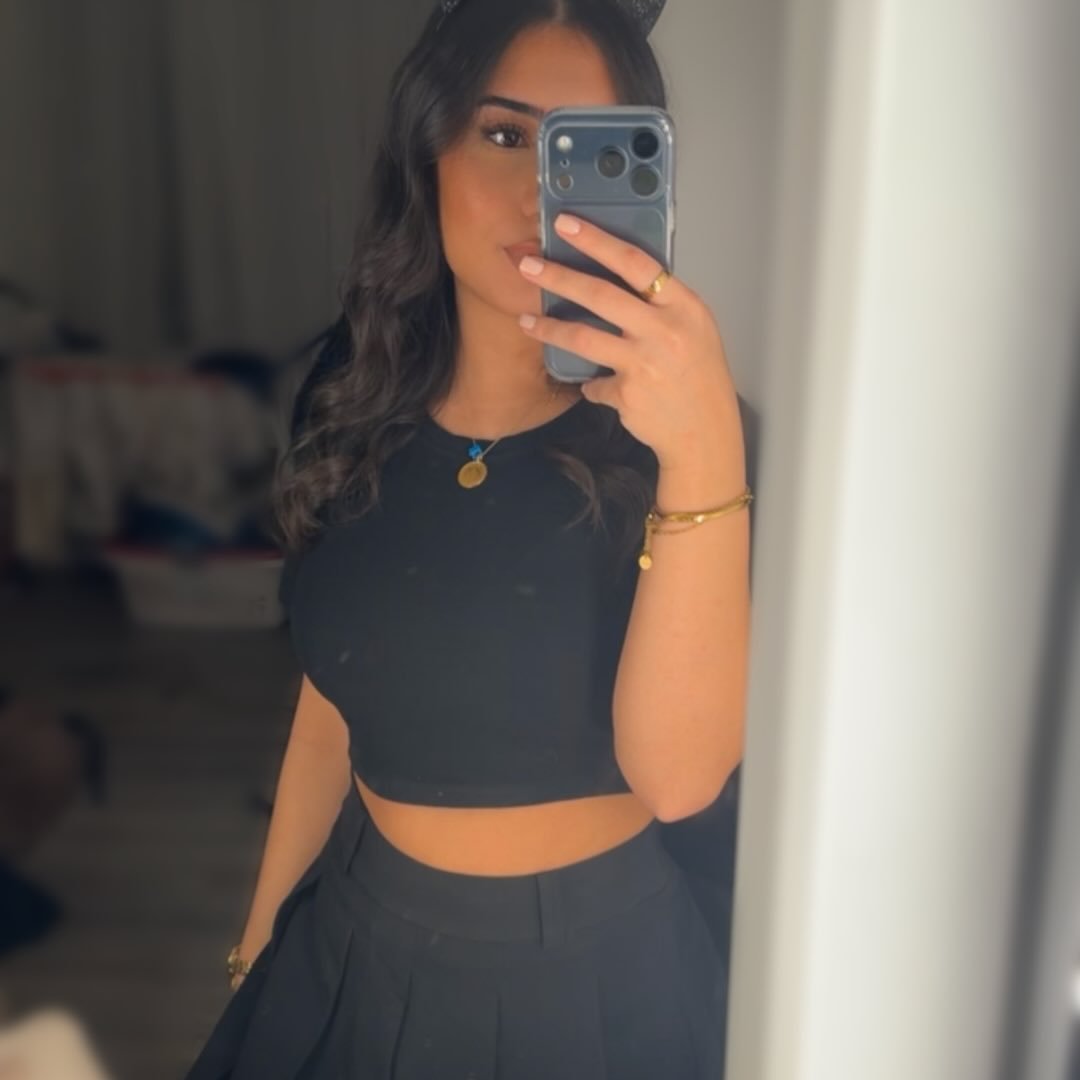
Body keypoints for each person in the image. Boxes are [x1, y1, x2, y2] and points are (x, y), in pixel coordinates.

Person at [185, 0, 753, 1076]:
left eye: (583, 149)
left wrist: (705, 450)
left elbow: (680, 780)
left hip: (595, 988)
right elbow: (330, 710)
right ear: (427, 149)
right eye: (503, 133)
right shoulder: (349, 396)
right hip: (351, 943)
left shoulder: (683, 447)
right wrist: (257, 950)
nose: (539, 189)